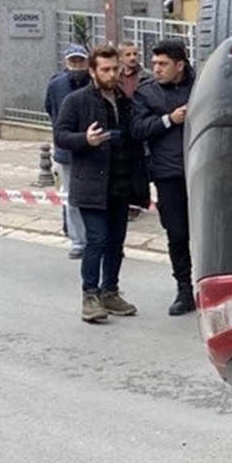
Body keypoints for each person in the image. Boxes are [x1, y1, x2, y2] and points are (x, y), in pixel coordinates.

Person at [54, 43, 150, 323]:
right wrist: (85, 139)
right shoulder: (77, 101)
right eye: (105, 69)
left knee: (116, 242)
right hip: (91, 184)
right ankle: (90, 296)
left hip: (120, 183)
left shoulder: (124, 100)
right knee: (96, 240)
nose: (111, 74)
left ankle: (110, 291)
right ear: (93, 71)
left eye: (114, 69)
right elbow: (60, 135)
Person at [130, 38, 195, 316]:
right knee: (177, 233)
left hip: (202, 170)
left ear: (180, 64)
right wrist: (170, 119)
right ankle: (184, 289)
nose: (156, 68)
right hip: (169, 173)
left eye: (163, 64)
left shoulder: (201, 86)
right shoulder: (147, 93)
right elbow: (137, 128)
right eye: (154, 63)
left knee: (209, 233)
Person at [44, 44, 91, 260]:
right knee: (71, 198)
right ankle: (78, 241)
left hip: (92, 148)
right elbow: (50, 110)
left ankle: (96, 239)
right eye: (73, 62)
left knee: (93, 197)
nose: (77, 66)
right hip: (66, 150)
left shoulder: (94, 82)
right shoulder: (56, 85)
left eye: (81, 61)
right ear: (66, 63)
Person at [117, 40, 151, 221]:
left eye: (135, 54)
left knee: (140, 167)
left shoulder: (147, 77)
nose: (132, 58)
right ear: (121, 57)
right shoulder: (115, 77)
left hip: (140, 126)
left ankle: (138, 202)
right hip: (122, 127)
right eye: (128, 54)